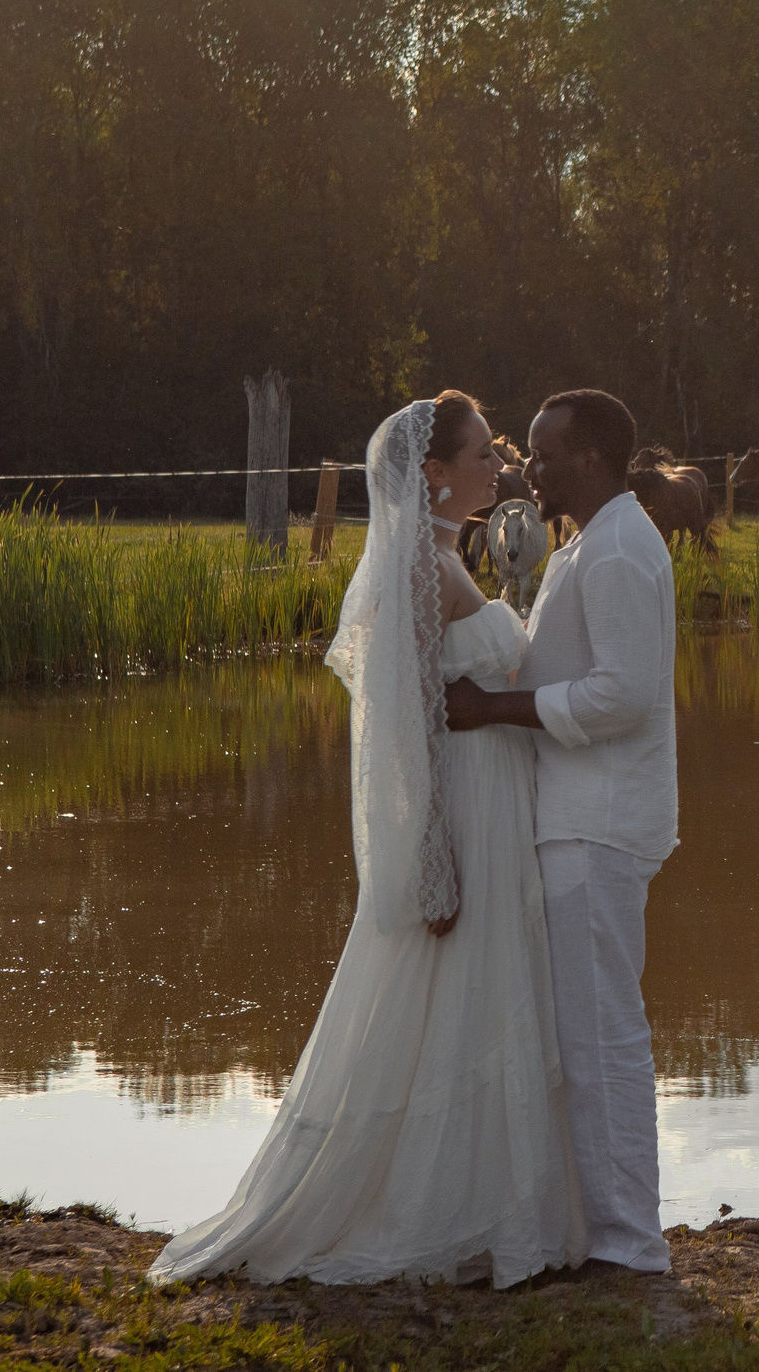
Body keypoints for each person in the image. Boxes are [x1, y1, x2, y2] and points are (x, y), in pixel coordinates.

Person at [152, 392, 586, 1287]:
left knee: (480, 994)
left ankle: (488, 1199)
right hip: (463, 810)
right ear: (433, 473)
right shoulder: (418, 571)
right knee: (451, 990)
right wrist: (430, 857)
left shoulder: (440, 555)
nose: (496, 468)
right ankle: (444, 1208)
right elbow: (406, 729)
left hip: (492, 800)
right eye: (480, 456)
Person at [444, 389, 678, 1274]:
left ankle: (629, 1243)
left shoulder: (617, 548)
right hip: (582, 821)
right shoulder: (593, 542)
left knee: (603, 1038)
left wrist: (493, 707)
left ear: (588, 458)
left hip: (600, 824)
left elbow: (622, 695)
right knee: (589, 1036)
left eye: (541, 455)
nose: (525, 469)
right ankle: (608, 1228)